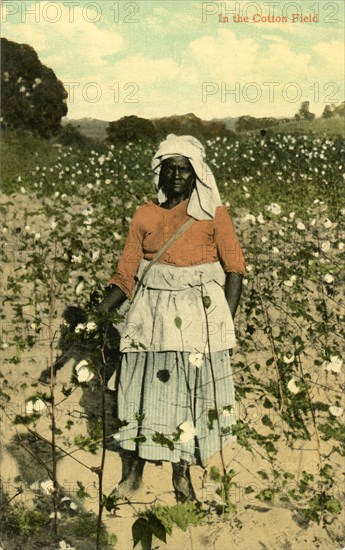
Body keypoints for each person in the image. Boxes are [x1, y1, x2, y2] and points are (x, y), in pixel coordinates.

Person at [98, 134, 246, 502]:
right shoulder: (145, 215)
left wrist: (222, 323)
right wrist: (97, 313)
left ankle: (182, 479)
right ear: (160, 173)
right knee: (137, 393)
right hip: (149, 316)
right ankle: (132, 476)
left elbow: (235, 270)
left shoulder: (214, 214)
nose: (177, 175)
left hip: (198, 318)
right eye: (171, 168)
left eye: (185, 168)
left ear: (197, 174)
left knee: (187, 397)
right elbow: (126, 275)